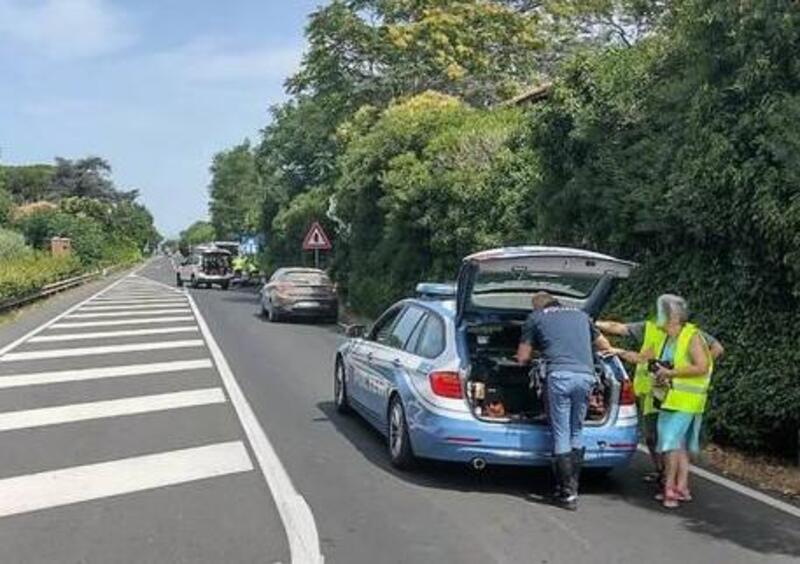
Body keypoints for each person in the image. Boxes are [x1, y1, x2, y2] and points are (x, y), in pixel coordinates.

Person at [596, 302, 723, 485]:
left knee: (669, 439)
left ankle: (671, 481)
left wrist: (693, 368)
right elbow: (618, 328)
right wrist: (593, 322)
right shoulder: (649, 327)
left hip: (675, 393)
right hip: (651, 391)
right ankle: (663, 473)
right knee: (651, 437)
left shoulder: (689, 333)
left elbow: (717, 349)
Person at [516, 291, 613, 510]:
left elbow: (522, 357)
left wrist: (536, 356)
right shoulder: (582, 315)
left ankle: (567, 493)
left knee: (561, 433)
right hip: (586, 377)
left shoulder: (536, 317)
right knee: (576, 430)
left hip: (559, 377)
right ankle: (573, 487)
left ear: (537, 306)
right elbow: (604, 345)